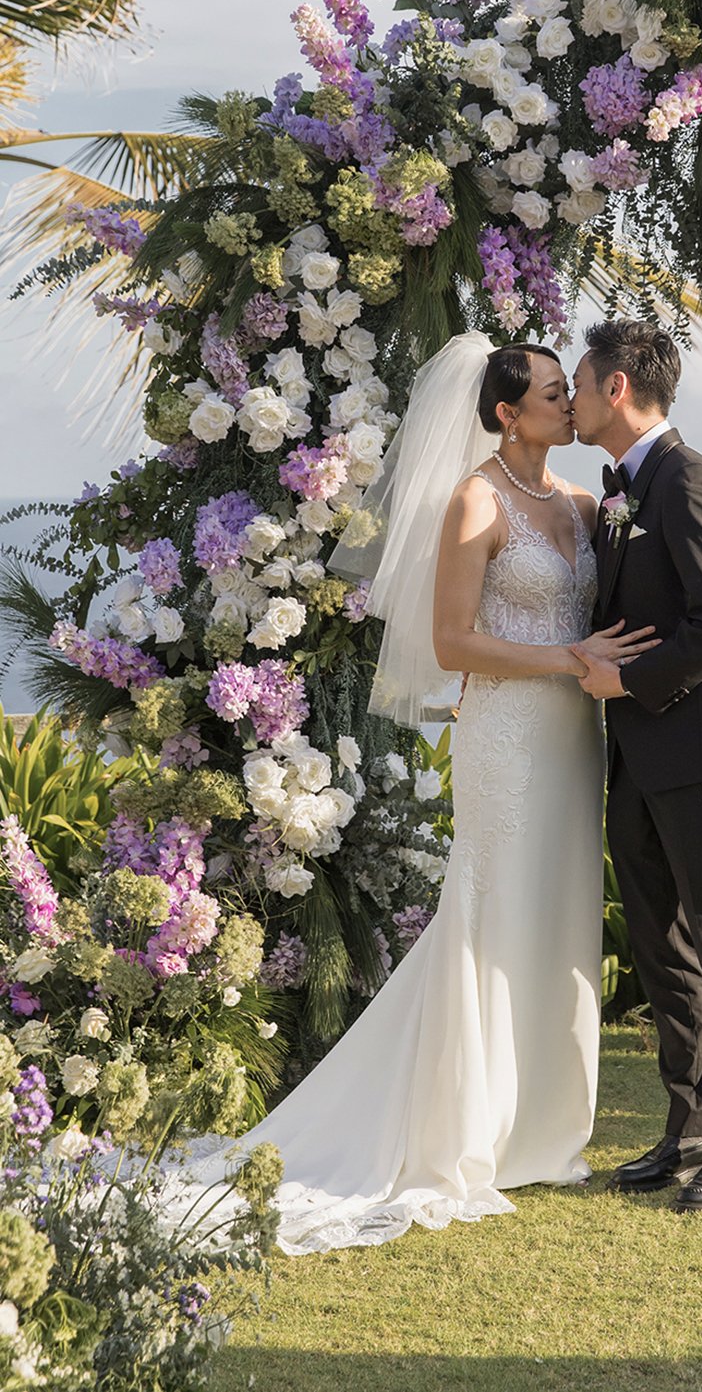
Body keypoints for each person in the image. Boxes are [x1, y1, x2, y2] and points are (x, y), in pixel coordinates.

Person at [167, 333, 656, 1254]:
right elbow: (452, 642)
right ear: (507, 414)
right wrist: (564, 660)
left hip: (571, 744)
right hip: (506, 738)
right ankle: (465, 1132)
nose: (566, 403)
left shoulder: (589, 505)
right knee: (493, 914)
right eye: (551, 393)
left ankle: (542, 1130)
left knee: (557, 918)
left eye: (567, 390)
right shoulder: (477, 500)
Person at [570, 319, 702, 1213]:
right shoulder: (622, 487)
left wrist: (626, 679)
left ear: (618, 388)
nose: (571, 401)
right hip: (643, 759)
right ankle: (689, 1125)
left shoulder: (687, 478)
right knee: (664, 949)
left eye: (578, 384)